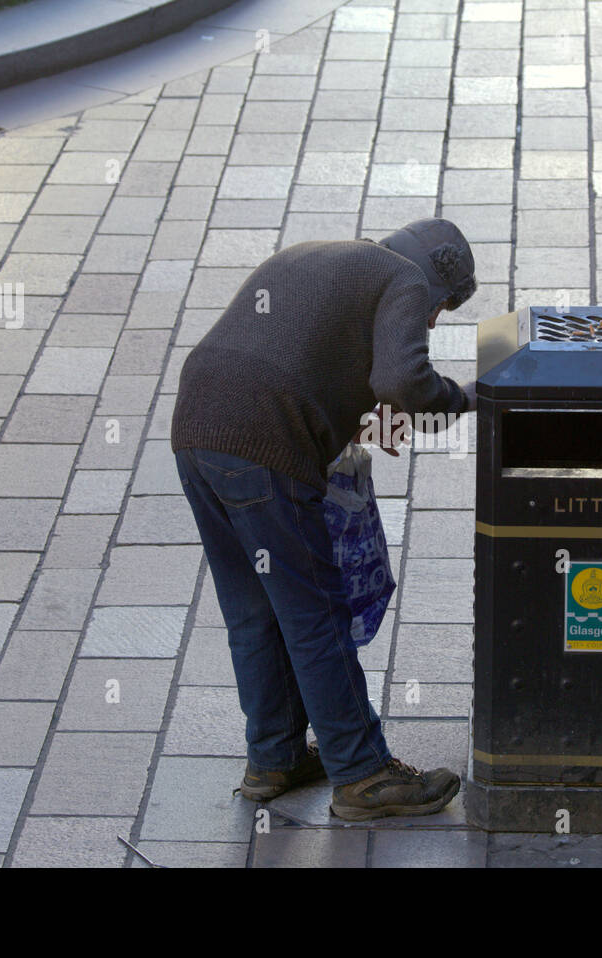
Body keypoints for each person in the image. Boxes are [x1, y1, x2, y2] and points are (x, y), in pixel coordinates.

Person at [170, 218, 478, 820]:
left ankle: (275, 757)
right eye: (442, 307)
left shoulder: (326, 255)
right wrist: (465, 397)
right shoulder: (406, 279)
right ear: (434, 278)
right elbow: (402, 379)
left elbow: (305, 356)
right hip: (264, 443)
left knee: (252, 607)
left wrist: (366, 414)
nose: (434, 319)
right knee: (315, 612)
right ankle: (362, 773)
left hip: (197, 426)